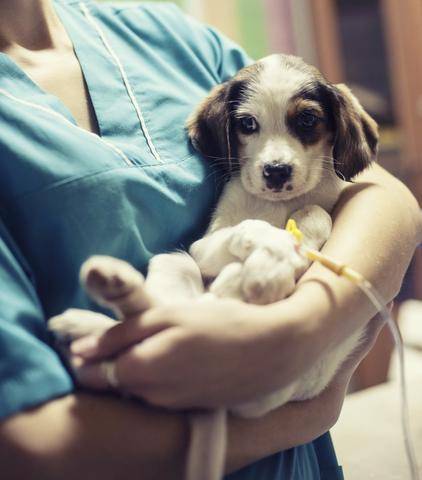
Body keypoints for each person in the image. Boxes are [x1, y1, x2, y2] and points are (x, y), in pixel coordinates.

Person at [0, 1, 419, 479]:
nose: (276, 154)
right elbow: (26, 447)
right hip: (132, 435)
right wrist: (304, 417)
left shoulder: (169, 36)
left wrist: (305, 327)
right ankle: (114, 350)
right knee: (172, 267)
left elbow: (388, 200)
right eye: (248, 128)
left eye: (305, 124)